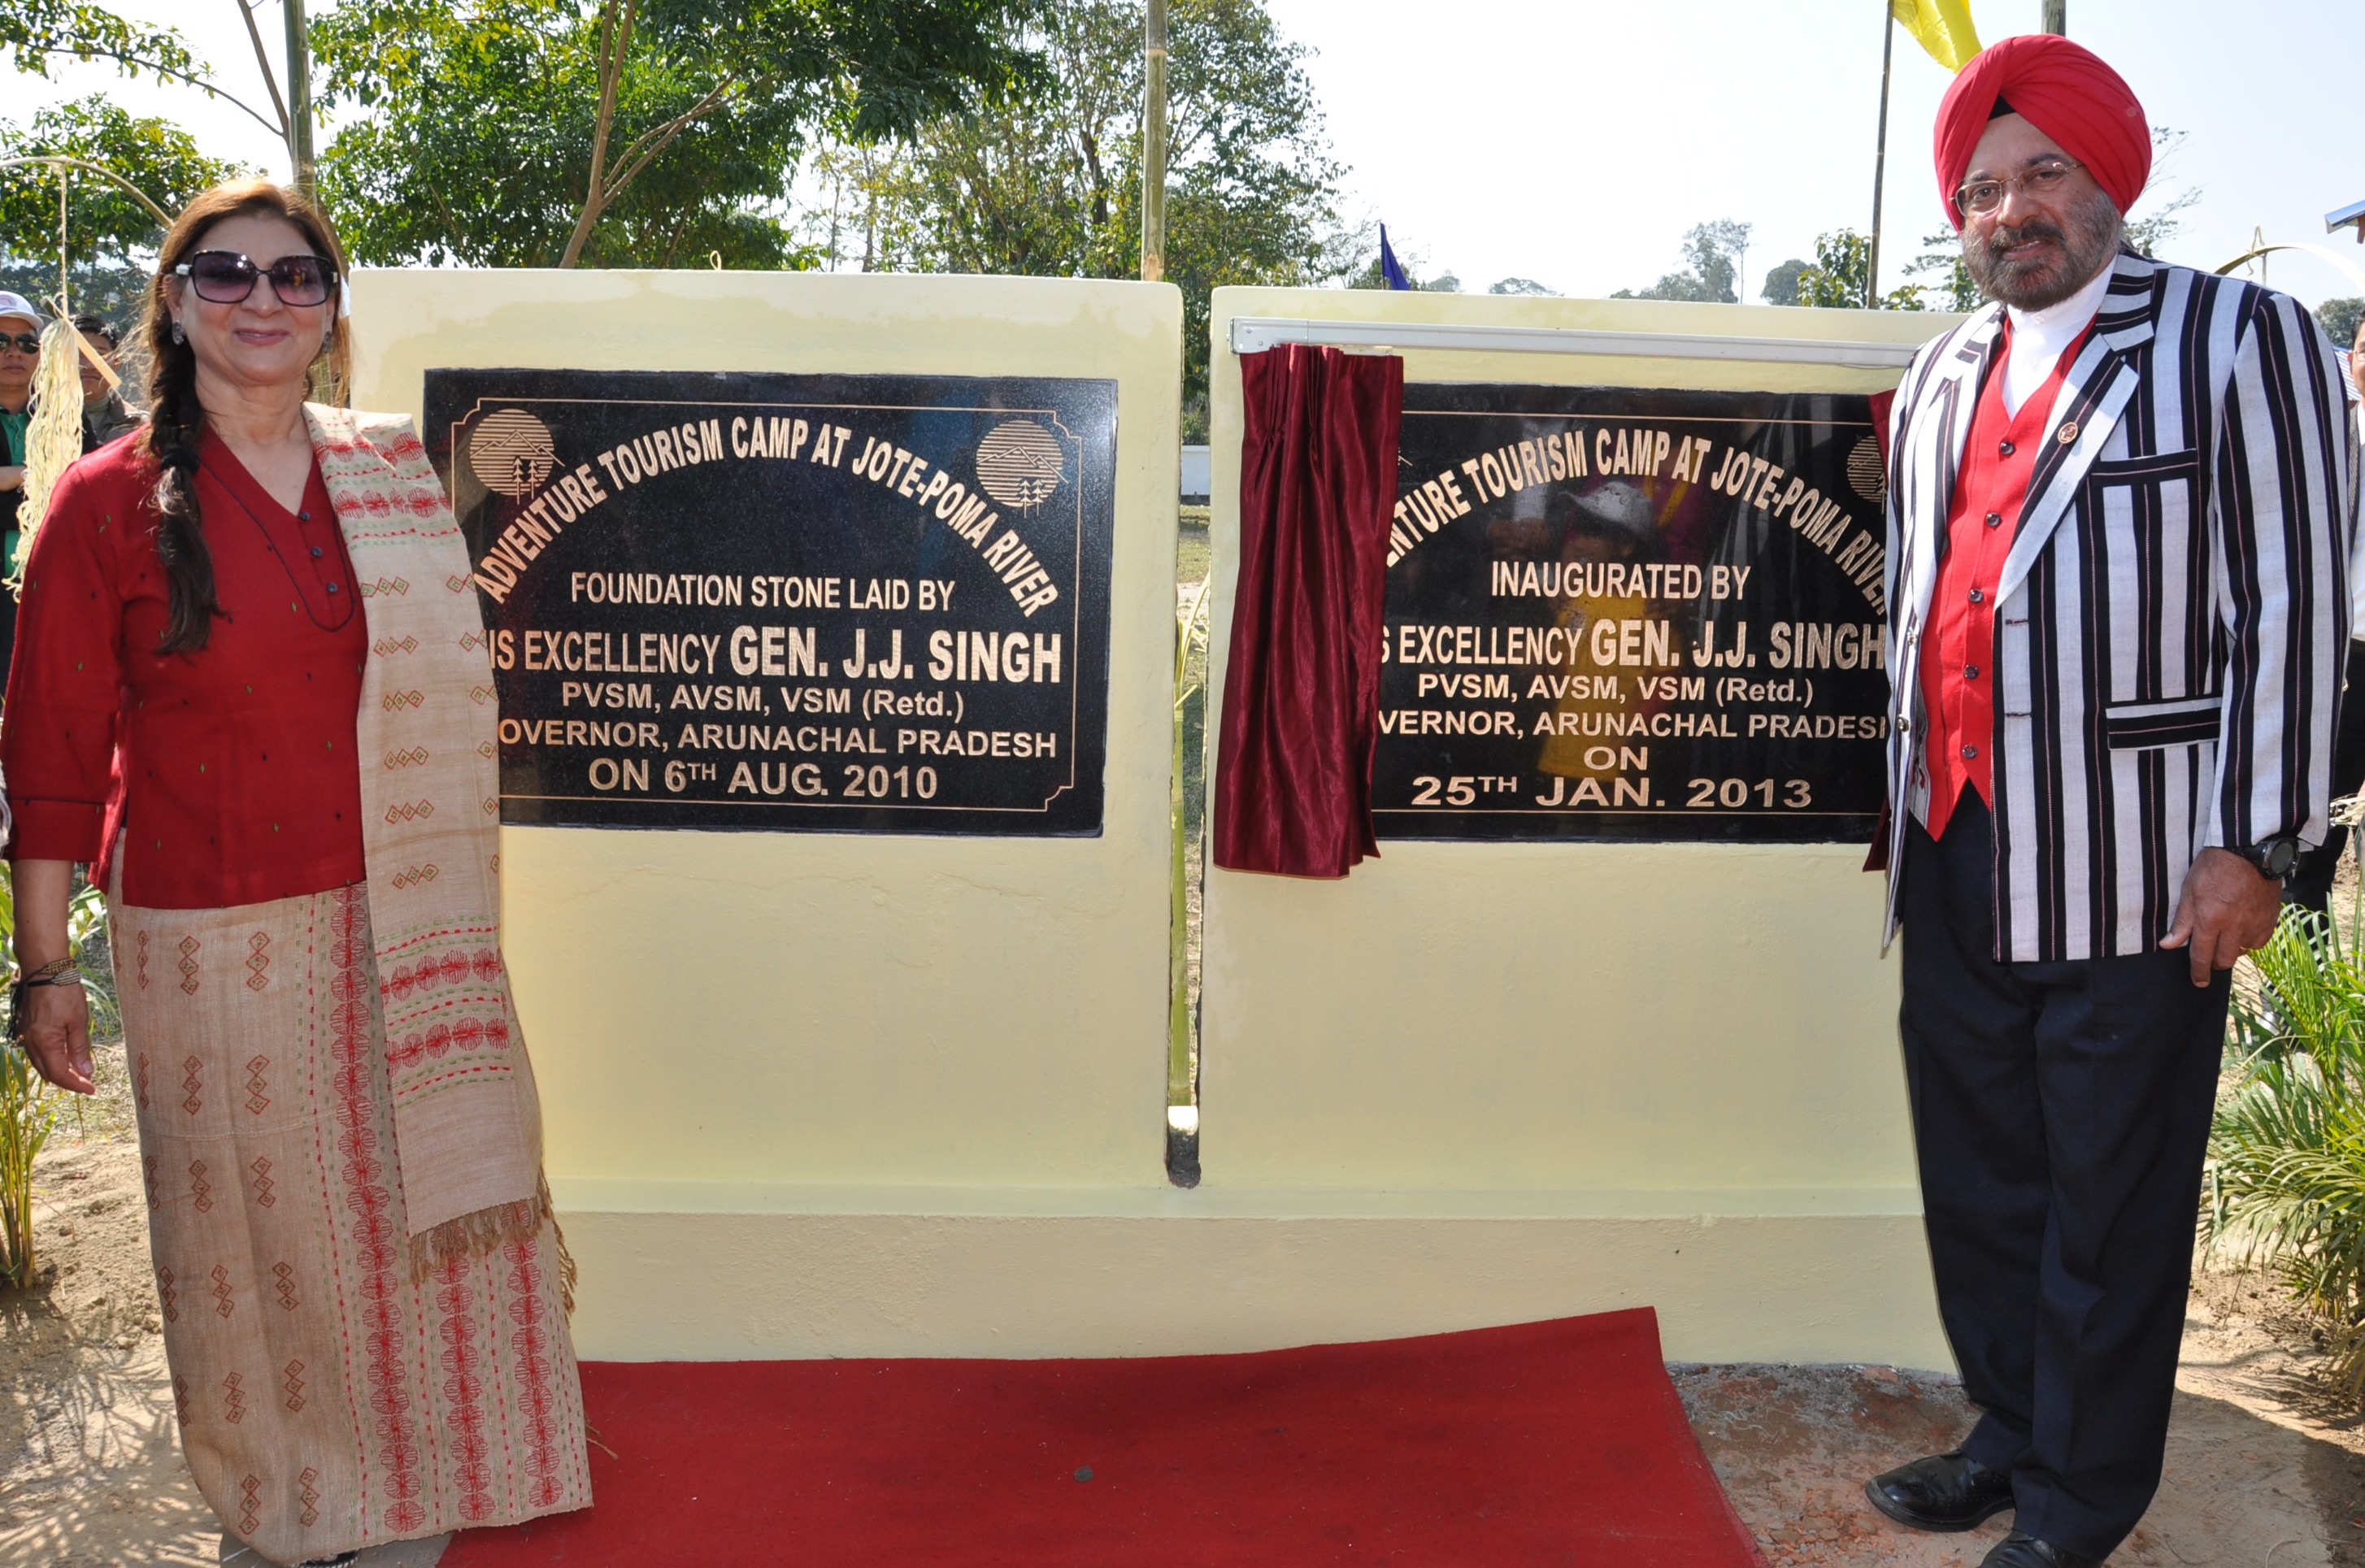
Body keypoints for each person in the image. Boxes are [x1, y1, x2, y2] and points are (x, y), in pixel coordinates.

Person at [2, 180, 591, 1567]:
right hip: (210, 933)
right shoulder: (104, 503)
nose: (261, 298)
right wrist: (42, 970)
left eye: (293, 276)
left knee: (403, 1216)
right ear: (176, 303)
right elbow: (53, 757)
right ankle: (281, 1492)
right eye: (227, 274)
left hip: (400, 912)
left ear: (330, 312)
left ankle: (402, 1473)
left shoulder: (384, 474)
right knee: (255, 1238)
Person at [1863, 35, 2356, 1568]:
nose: (2009, 209)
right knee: (1984, 1178)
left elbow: (2296, 601)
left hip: (2144, 859)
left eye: (2041, 174)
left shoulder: (2233, 337)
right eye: (1981, 188)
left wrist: (2256, 839)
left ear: (2106, 183)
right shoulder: (1938, 369)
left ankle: (2079, 1501)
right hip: (1951, 843)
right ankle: (2008, 1434)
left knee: (2107, 1194)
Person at [2285, 314, 2365, 913]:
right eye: (2363, 347)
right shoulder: (2333, 432)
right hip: (2345, 651)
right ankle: (2305, 986)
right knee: (2320, 820)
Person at [0, 290, 40, 691]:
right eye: (1, 341)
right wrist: (27, 476)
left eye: (27, 344)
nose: (15, 353)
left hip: (42, 589)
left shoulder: (62, 412)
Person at [71, 311, 142, 449]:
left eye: (100, 355)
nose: (89, 365)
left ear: (116, 364)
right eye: (79, 354)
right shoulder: (36, 420)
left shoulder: (139, 428)